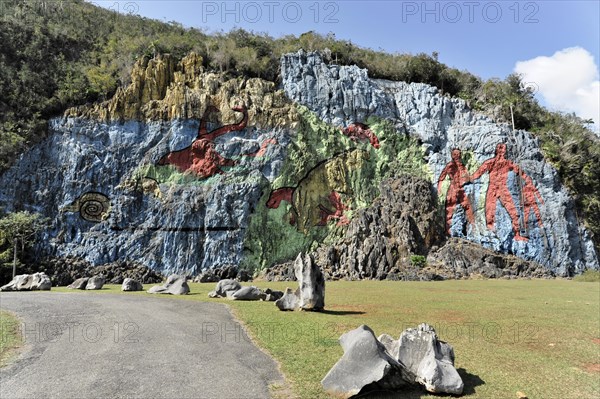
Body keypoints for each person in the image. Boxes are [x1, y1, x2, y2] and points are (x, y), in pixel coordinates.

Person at [471, 143, 532, 241]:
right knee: (489, 209)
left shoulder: (508, 163)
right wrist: (468, 178)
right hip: (492, 187)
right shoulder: (490, 162)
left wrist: (527, 180)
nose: (501, 150)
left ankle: (517, 233)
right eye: (500, 148)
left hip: (503, 189)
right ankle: (490, 229)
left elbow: (521, 173)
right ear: (496, 150)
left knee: (513, 211)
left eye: (503, 148)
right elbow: (478, 173)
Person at [437, 148, 475, 235]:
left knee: (468, 208)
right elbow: (441, 177)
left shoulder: (462, 166)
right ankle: (448, 231)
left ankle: (473, 229)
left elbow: (468, 177)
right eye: (455, 154)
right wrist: (439, 190)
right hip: (453, 189)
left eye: (459, 154)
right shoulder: (449, 166)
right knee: (450, 208)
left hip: (461, 189)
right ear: (452, 156)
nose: (457, 156)